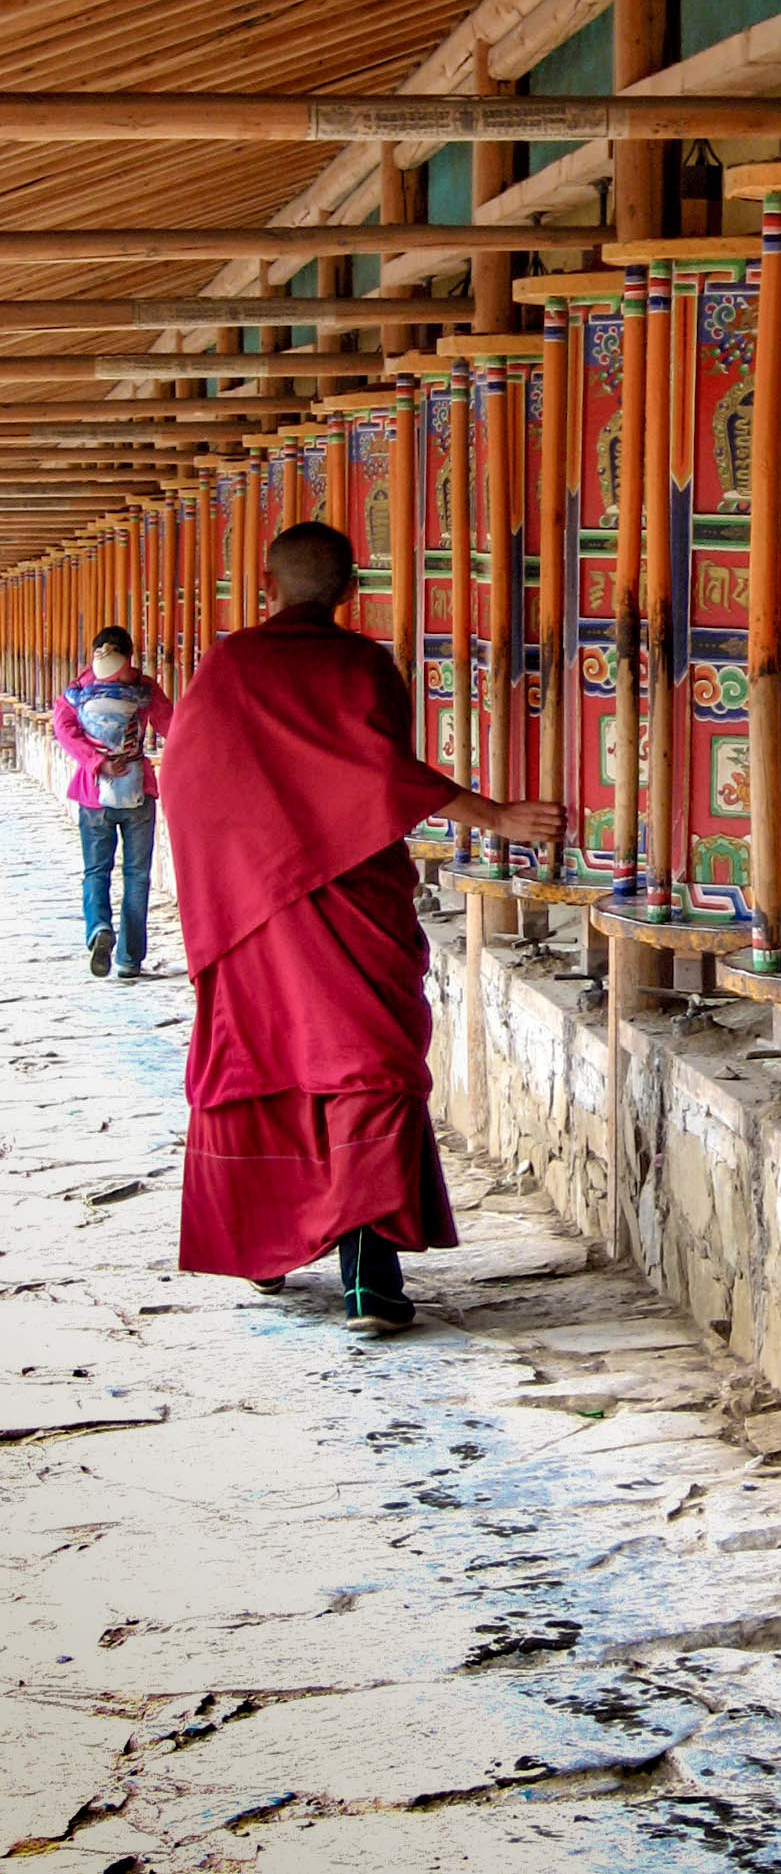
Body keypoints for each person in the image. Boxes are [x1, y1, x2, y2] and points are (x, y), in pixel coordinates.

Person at [161, 522, 562, 1336]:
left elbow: (187, 782)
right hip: (344, 903)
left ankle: (265, 1245)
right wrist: (495, 817)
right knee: (366, 1070)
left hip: (252, 915)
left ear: (267, 580)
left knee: (265, 1061)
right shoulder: (361, 666)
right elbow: (377, 774)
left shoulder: (225, 668)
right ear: (351, 587)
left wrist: (232, 881)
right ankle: (367, 1278)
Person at [53, 624, 173, 981]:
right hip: (136, 790)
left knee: (96, 871)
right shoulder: (142, 688)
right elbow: (172, 725)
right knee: (136, 876)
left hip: (94, 794)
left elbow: (63, 729)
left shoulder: (78, 690)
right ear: (130, 655)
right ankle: (129, 958)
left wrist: (97, 761)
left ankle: (99, 929)